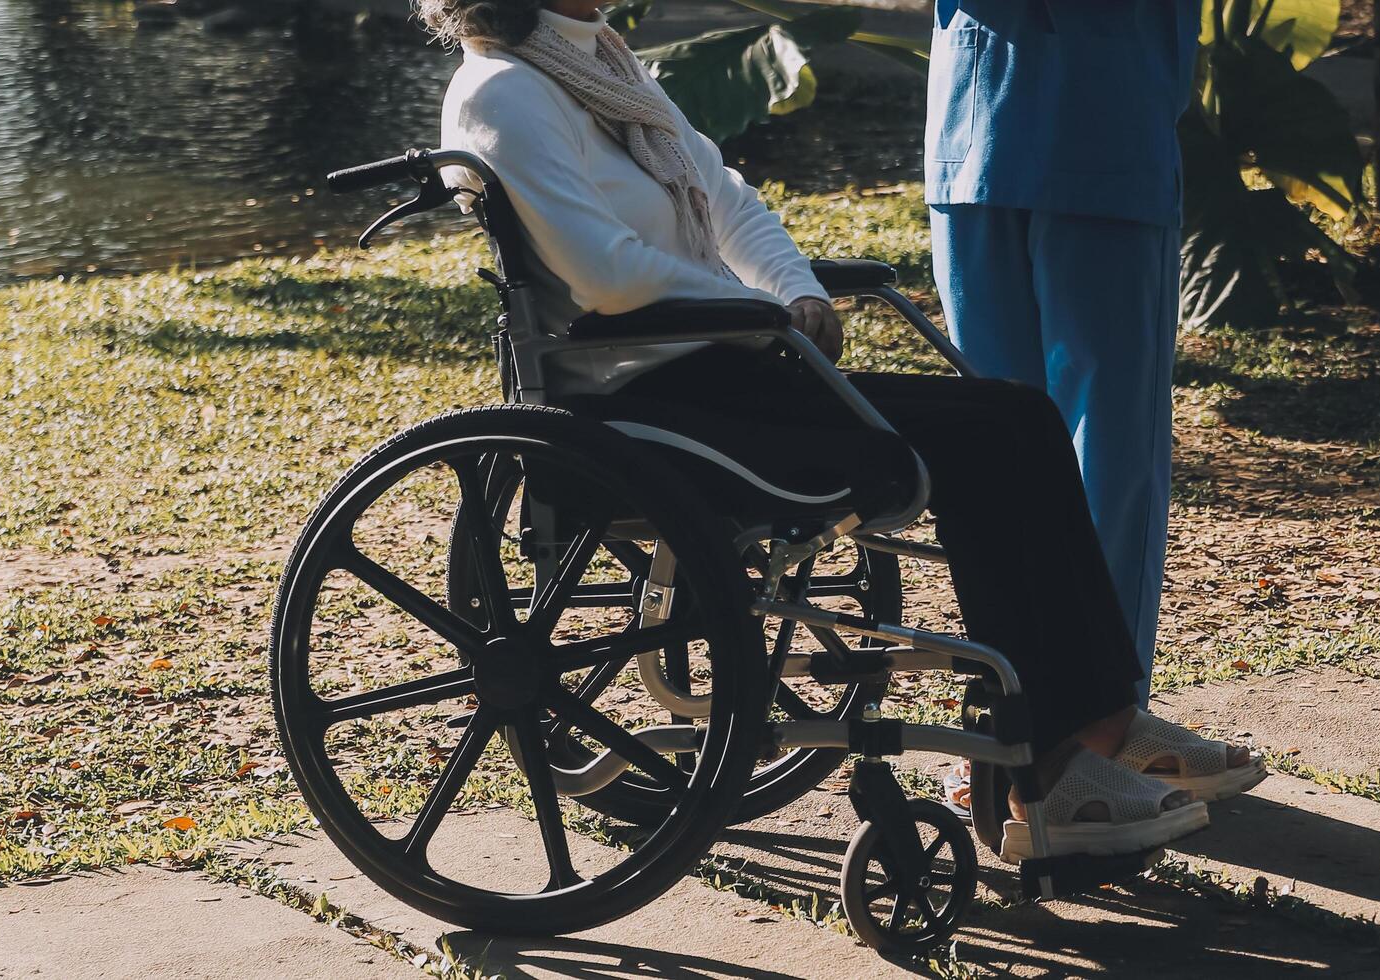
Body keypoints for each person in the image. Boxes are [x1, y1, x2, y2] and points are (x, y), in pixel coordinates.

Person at [419, 0, 1260, 860]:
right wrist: (756, 313)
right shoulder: (502, 92)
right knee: (985, 445)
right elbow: (603, 276)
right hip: (649, 394)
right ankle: (1045, 769)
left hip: (728, 364)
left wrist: (795, 291)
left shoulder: (600, 64)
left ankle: (1096, 722)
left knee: (1016, 415)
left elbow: (726, 199)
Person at [927, 1, 1194, 703]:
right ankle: (1019, 718)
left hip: (1090, 130)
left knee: (1102, 451)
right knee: (999, 457)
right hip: (984, 134)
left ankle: (1090, 720)